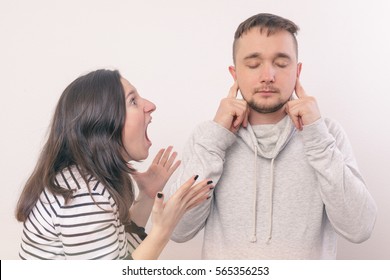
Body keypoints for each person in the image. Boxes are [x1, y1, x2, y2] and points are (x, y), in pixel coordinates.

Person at [169, 13, 377, 259]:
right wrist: (216, 138)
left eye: (281, 63)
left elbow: (360, 228)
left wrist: (318, 138)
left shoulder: (327, 135)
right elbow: (177, 230)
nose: (268, 75)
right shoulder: (208, 137)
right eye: (254, 64)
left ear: (297, 72)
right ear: (234, 74)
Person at [15, 69, 213, 260]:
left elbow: (119, 256)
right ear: (102, 123)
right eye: (133, 101)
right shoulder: (83, 197)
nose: (150, 105)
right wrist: (162, 230)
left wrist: (146, 197)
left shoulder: (85, 185)